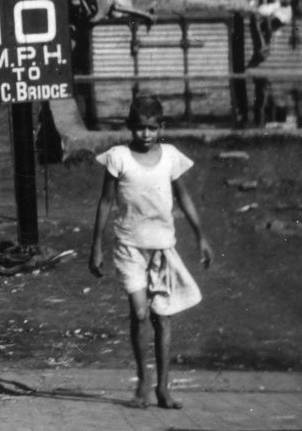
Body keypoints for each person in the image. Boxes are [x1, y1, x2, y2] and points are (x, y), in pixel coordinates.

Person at [88, 94, 213, 411]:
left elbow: (184, 199)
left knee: (163, 318)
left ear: (161, 127)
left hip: (163, 248)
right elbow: (105, 202)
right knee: (140, 313)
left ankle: (163, 388)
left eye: (152, 128)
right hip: (129, 246)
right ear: (130, 127)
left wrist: (201, 238)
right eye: (140, 128)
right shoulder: (118, 157)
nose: (146, 134)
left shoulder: (171, 156)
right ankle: (143, 381)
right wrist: (96, 245)